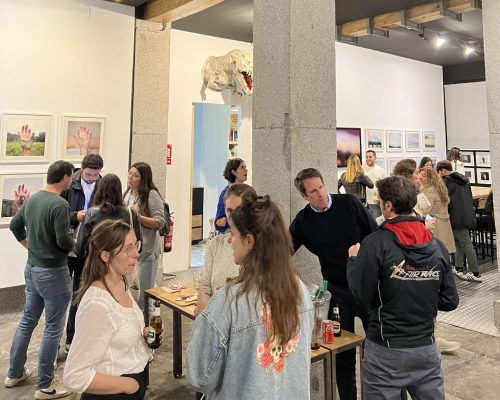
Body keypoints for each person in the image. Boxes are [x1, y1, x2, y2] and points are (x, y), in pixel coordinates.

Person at [187, 195, 314, 399]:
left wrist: (203, 321)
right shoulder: (300, 290)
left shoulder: (229, 300)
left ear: (249, 241)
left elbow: (200, 377)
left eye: (233, 234)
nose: (229, 241)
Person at [346, 176, 459, 399]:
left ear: (388, 205)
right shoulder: (437, 245)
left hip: (385, 351)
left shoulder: (375, 243)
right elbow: (449, 300)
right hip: (425, 349)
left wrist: (353, 261)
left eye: (380, 201)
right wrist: (420, 288)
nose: (379, 205)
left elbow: (360, 295)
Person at [290, 168, 377, 400]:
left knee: (377, 350)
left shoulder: (349, 203)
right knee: (342, 356)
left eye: (321, 187)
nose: (320, 194)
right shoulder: (303, 221)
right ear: (304, 196)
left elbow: (375, 235)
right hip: (338, 292)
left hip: (367, 287)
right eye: (313, 191)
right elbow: (283, 250)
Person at [5, 160, 75, 399]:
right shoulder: (60, 204)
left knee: (27, 320)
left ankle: (14, 373)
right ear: (65, 177)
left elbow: (15, 226)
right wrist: (76, 244)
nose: (72, 180)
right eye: (71, 176)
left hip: (32, 268)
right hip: (53, 272)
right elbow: (63, 241)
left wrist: (30, 246)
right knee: (53, 327)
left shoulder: (33, 199)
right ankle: (44, 386)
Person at [63, 220, 153, 399]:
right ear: (105, 255)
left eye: (135, 245)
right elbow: (74, 375)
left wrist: (142, 333)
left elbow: (116, 330)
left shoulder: (120, 282)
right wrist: (129, 385)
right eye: (127, 249)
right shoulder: (97, 304)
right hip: (114, 392)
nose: (136, 254)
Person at [61, 153, 104, 352]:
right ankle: (57, 342)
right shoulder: (70, 184)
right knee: (61, 296)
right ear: (82, 170)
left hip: (89, 246)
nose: (91, 178)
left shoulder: (102, 185)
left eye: (95, 175)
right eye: (88, 174)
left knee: (80, 294)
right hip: (68, 244)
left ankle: (73, 338)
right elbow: (59, 214)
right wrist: (75, 216)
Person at [196, 183, 257, 315]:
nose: (233, 217)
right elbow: (204, 289)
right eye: (229, 211)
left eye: (238, 210)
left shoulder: (259, 247)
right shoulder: (216, 244)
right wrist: (207, 322)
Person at [124, 162, 165, 311]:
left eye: (135, 175)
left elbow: (159, 222)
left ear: (143, 178)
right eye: (130, 173)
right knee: (132, 290)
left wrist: (137, 216)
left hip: (147, 250)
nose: (130, 177)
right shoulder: (128, 193)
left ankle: (146, 321)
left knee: (144, 294)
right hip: (130, 248)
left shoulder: (151, 194)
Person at [75, 174, 142, 260]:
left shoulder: (91, 213)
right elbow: (139, 243)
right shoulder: (130, 213)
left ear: (100, 190)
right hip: (121, 261)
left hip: (97, 261)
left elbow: (81, 247)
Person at [436, 160, 482, 282]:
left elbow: (445, 200)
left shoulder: (447, 182)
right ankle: (458, 267)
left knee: (465, 243)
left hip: (455, 216)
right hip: (467, 214)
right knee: (458, 242)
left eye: (439, 172)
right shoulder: (464, 179)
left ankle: (476, 273)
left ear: (443, 171)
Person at [420, 167, 456, 254]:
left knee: (437, 252)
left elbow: (425, 210)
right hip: (444, 222)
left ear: (431, 177)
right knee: (444, 251)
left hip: (434, 224)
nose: (421, 178)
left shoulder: (430, 190)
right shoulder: (440, 187)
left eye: (424, 176)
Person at [214, 158, 247, 233]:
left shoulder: (247, 191)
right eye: (242, 167)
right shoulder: (226, 193)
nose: (246, 170)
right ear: (234, 172)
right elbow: (219, 223)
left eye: (245, 167)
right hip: (232, 235)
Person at [363, 150, 386, 218]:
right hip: (364, 202)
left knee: (376, 221)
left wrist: (381, 200)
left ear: (375, 158)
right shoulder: (361, 169)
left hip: (376, 201)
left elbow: (384, 187)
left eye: (370, 157)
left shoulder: (381, 170)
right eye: (366, 157)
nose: (368, 158)